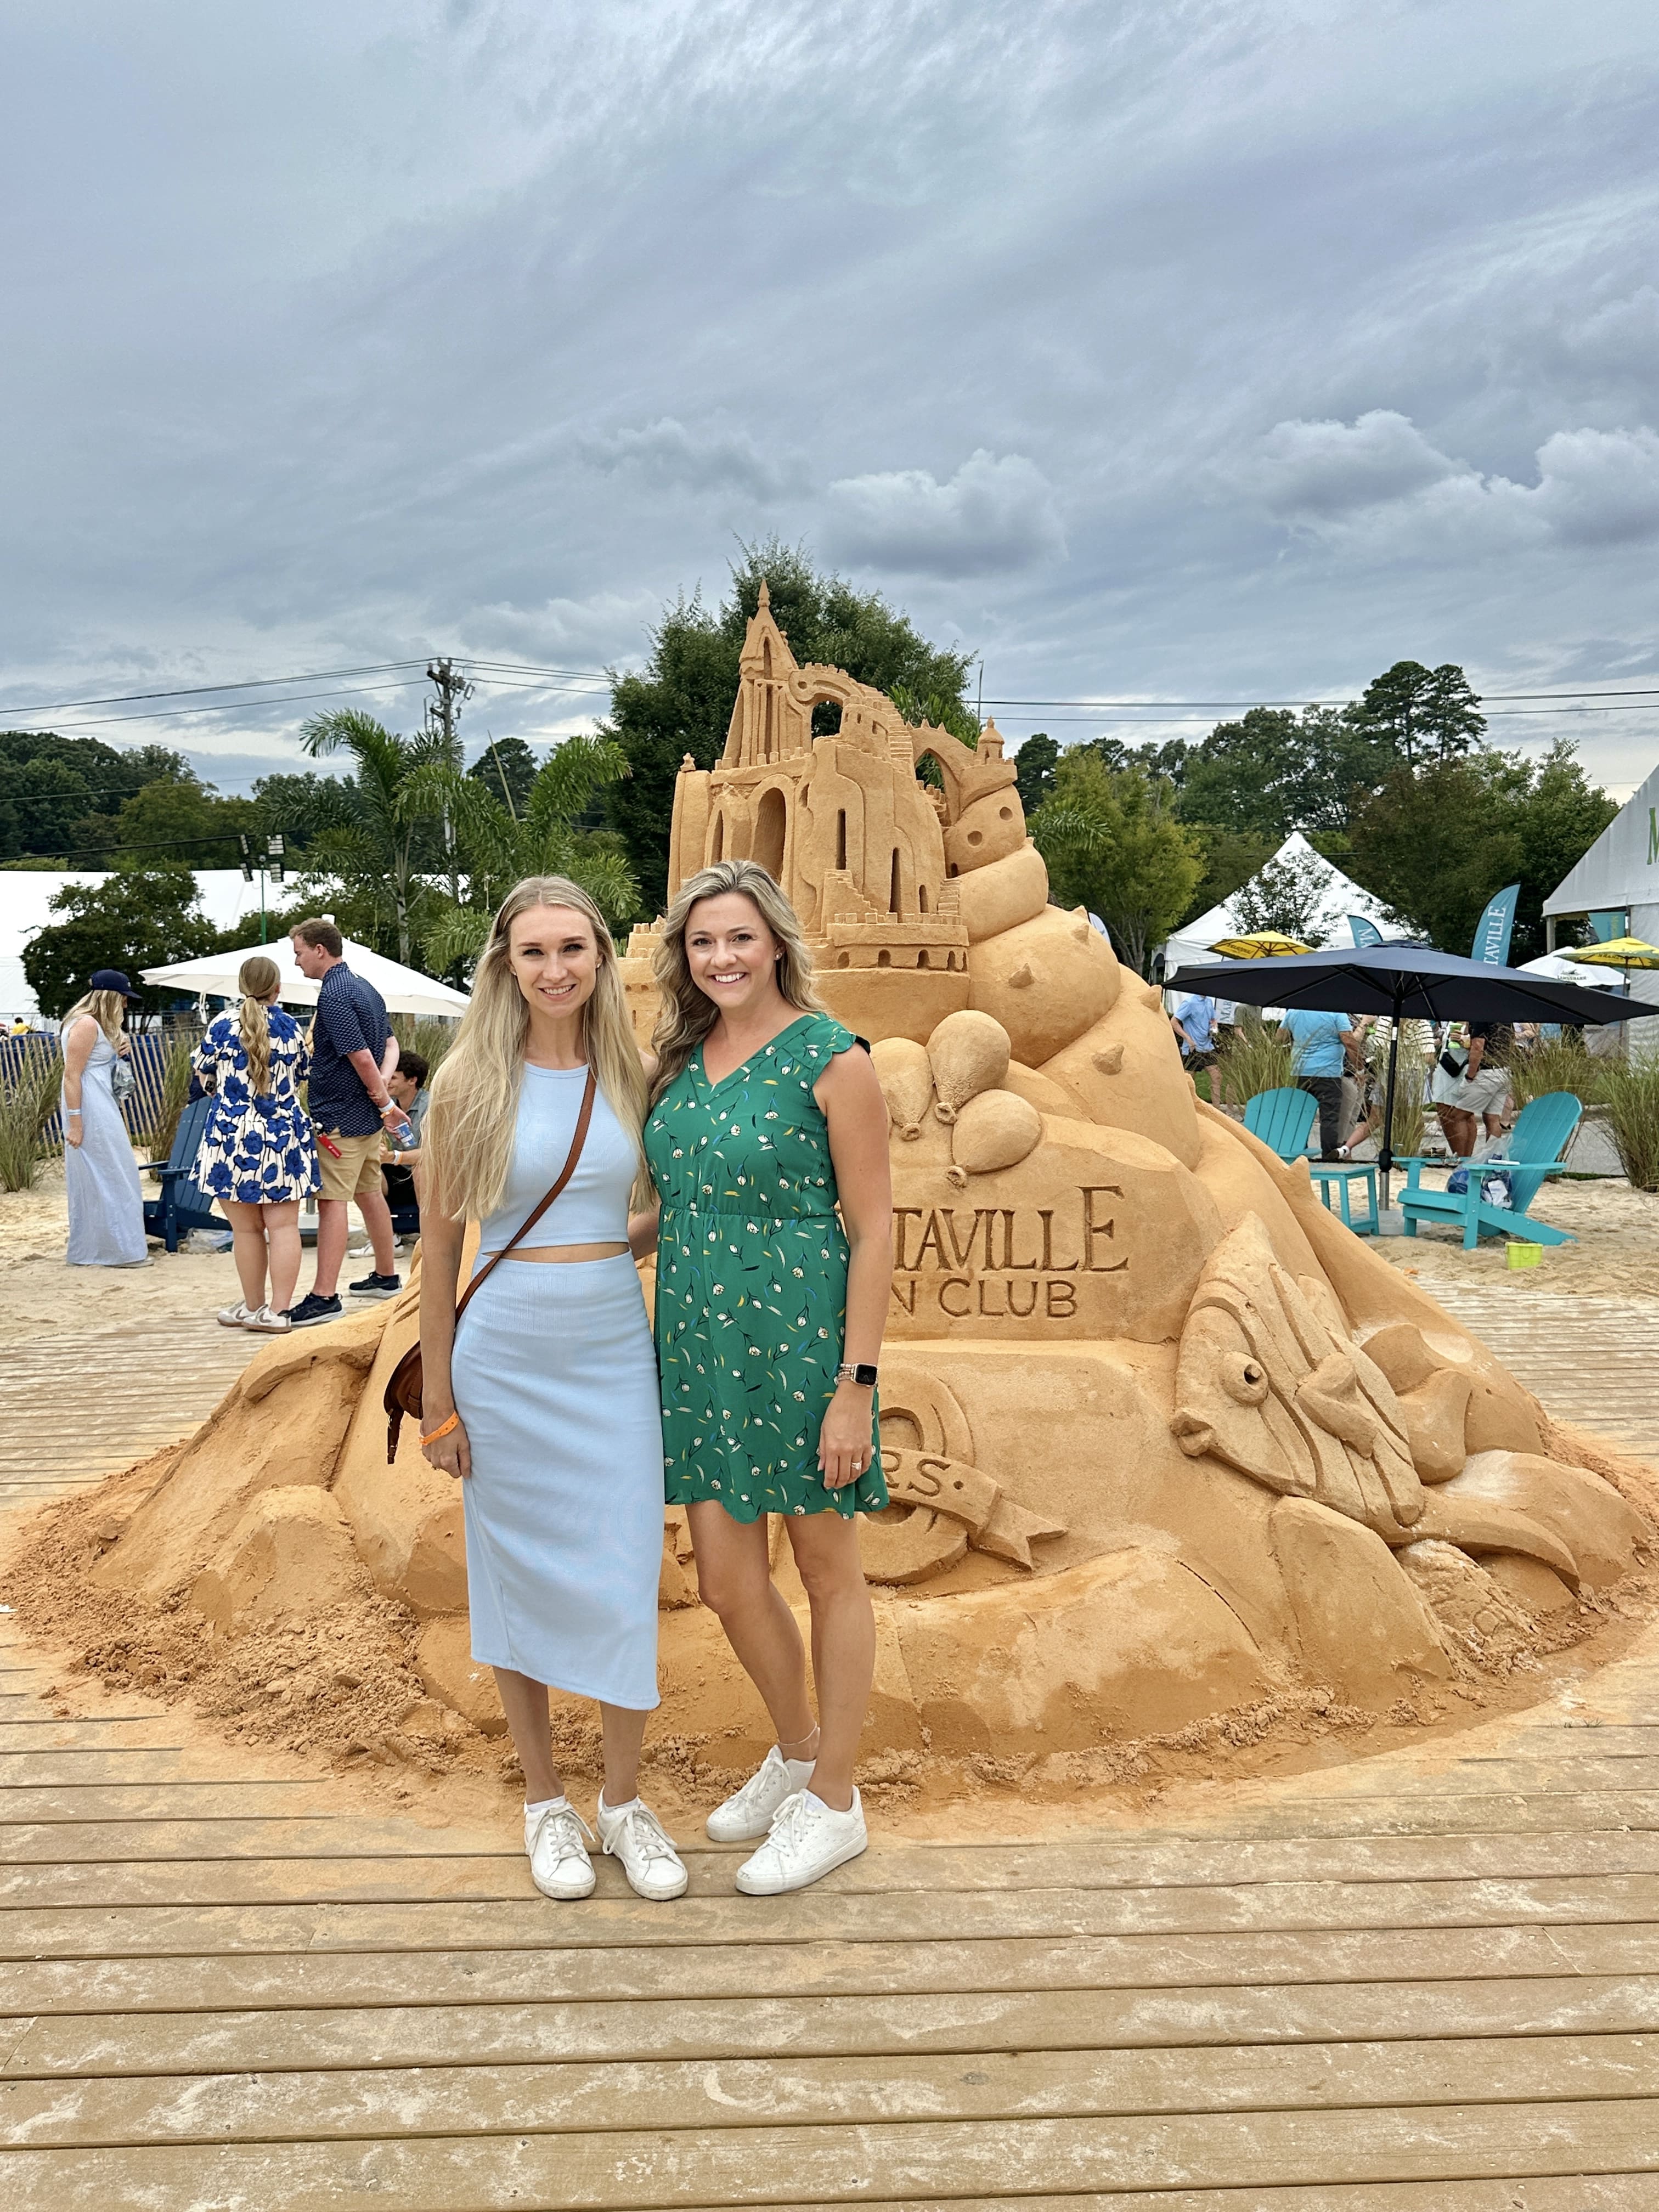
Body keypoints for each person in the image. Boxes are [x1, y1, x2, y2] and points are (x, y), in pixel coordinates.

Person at [418, 877, 684, 1906]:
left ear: (601, 954)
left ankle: (621, 1800)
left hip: (613, 1347)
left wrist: (610, 1245)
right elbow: (437, 1256)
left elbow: (664, 1201)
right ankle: (544, 1798)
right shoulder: (466, 1085)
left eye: (573, 947)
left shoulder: (635, 1072)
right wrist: (440, 1399)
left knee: (624, 1570)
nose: (556, 968)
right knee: (515, 1574)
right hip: (505, 1355)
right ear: (504, 964)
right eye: (534, 952)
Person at [640, 859, 892, 1896]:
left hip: (796, 1343)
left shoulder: (833, 1060)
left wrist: (856, 1383)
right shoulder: (679, 1058)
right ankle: (794, 1750)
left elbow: (874, 1227)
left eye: (738, 937)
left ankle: (835, 1799)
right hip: (697, 1344)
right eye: (702, 941)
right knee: (727, 1581)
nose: (721, 957)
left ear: (776, 940)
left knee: (827, 1571)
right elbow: (679, 1206)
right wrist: (577, 1251)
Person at [189, 955, 319, 1331]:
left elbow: (202, 1072)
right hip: (283, 1136)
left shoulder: (222, 1025)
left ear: (241, 985)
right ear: (277, 988)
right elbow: (303, 1075)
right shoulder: (292, 1028)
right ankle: (279, 1312)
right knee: (284, 1228)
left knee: (246, 1231)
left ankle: (252, 1306)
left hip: (231, 1136)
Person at [287, 919, 404, 1324]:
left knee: (332, 1201)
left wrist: (384, 1097)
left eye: (299, 952)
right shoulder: (364, 987)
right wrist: (383, 1093)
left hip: (340, 1115)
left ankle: (324, 1296)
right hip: (366, 1117)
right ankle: (387, 1275)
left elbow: (360, 1057)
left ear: (320, 950)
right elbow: (391, 1045)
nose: (297, 961)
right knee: (370, 1193)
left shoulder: (334, 996)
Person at [60, 969, 147, 1267]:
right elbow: (71, 1074)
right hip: (89, 1104)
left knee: (109, 1173)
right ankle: (118, 1251)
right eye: (123, 999)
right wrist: (76, 1122)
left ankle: (109, 1248)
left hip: (99, 1101)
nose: (125, 1005)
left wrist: (119, 1050)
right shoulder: (85, 1024)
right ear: (111, 998)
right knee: (112, 1173)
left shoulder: (94, 1025)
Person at [1280, 1005, 1358, 1160]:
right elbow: (1349, 1041)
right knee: (1329, 1117)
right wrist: (1359, 1067)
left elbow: (1280, 1037)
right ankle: (1329, 1156)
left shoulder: (1294, 1011)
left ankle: (1300, 1156)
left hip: (1299, 1071)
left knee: (1300, 1117)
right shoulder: (1336, 1012)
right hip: (1328, 1073)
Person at [380, 1048, 430, 1226]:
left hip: (429, 1172)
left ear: (412, 1080)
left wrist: (392, 1157)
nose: (387, 1082)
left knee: (421, 1169)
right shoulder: (388, 1106)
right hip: (401, 1169)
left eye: (393, 1078)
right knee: (366, 1171)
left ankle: (428, 1234)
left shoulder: (430, 1107)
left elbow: (431, 1154)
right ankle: (388, 1236)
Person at [1167, 992, 1218, 1072]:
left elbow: (1213, 1020)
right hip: (1192, 1048)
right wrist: (1188, 1038)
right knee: (1189, 1081)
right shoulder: (1189, 1003)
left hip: (1207, 1047)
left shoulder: (1209, 1001)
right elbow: (1174, 1022)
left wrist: (1214, 1025)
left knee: (1217, 1077)